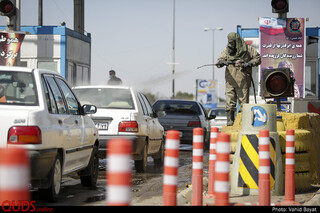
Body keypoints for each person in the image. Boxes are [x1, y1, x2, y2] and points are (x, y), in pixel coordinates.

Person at [216, 32, 261, 126]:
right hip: (230, 81)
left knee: (244, 104)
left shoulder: (248, 49)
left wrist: (249, 64)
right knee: (229, 102)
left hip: (243, 81)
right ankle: (230, 121)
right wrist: (222, 62)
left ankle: (242, 122)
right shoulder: (227, 51)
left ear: (237, 41)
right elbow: (218, 62)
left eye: (233, 42)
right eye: (230, 42)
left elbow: (257, 58)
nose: (231, 44)